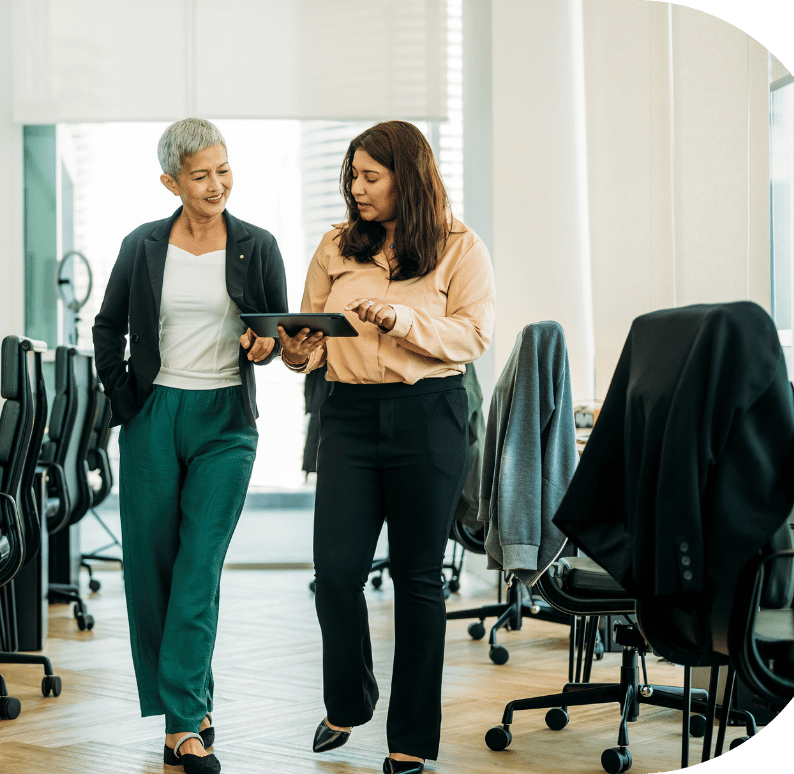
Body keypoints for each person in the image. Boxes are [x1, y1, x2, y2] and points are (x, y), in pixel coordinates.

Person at [279, 121, 495, 774]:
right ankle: (348, 702)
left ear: (410, 177)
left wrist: (401, 318)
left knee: (417, 580)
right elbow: (310, 336)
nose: (357, 188)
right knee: (336, 577)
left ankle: (412, 739)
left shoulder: (460, 247)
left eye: (371, 177)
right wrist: (294, 351)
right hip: (348, 417)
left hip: (426, 416)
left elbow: (474, 336)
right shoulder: (336, 246)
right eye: (352, 176)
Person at [92, 118, 288, 774]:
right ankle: (189, 709)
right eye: (200, 175)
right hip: (154, 413)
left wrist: (267, 345)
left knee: (198, 566)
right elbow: (108, 324)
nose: (216, 185)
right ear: (170, 181)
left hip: (226, 422)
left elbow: (277, 334)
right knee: (152, 570)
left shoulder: (257, 245)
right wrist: (126, 403)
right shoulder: (143, 244)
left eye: (224, 169)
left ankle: (183, 725)